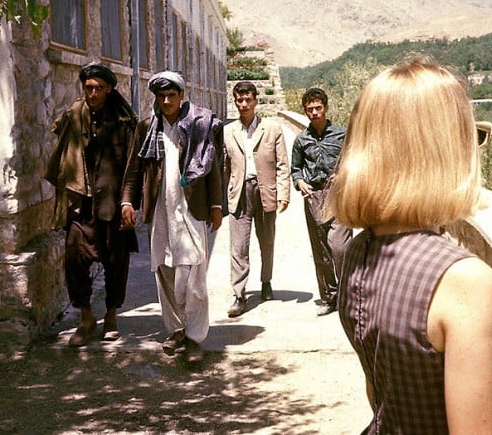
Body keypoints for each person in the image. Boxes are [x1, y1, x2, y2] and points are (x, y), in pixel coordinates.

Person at [327, 53, 492, 434]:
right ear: (437, 152)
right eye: (468, 137)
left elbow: (380, 392)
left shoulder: (359, 250)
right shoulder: (464, 279)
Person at [120, 71, 223, 363]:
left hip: (191, 210)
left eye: (172, 96)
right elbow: (133, 170)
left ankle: (194, 337)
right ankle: (176, 330)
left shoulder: (199, 125)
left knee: (193, 275)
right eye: (161, 97)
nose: (167, 101)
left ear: (181, 96)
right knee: (164, 271)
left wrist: (216, 205)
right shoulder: (146, 129)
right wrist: (127, 202)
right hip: (161, 211)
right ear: (156, 98)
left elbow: (213, 168)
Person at [45, 62, 138, 347]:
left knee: (116, 263)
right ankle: (85, 317)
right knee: (74, 260)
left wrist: (127, 202)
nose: (93, 93)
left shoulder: (124, 122)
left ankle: (111, 315)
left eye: (99, 88)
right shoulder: (74, 117)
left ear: (109, 89)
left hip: (112, 203)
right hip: (81, 206)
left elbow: (133, 166)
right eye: (89, 88)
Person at [223, 81, 290, 317]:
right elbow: (224, 167)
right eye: (239, 100)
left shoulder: (272, 129)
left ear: (255, 101)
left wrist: (283, 194)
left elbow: (282, 164)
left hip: (265, 192)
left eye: (247, 100)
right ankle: (239, 295)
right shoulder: (227, 131)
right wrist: (222, 199)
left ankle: (266, 281)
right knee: (238, 246)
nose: (243, 104)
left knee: (267, 241)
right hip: (240, 194)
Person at [290, 87, 353, 316]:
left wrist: (343, 173)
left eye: (318, 108)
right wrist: (299, 182)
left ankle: (348, 294)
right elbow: (295, 168)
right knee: (321, 251)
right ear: (305, 112)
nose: (314, 112)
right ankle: (329, 297)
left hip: (338, 194)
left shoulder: (341, 135)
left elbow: (354, 161)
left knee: (339, 246)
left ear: (326, 108)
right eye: (310, 109)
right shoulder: (301, 140)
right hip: (314, 197)